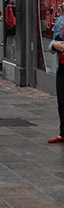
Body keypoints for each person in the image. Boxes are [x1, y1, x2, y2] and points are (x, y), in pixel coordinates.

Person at [48, 12, 64, 143]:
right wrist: (54, 45)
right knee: (62, 102)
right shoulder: (60, 20)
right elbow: (53, 40)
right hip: (62, 68)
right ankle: (63, 132)